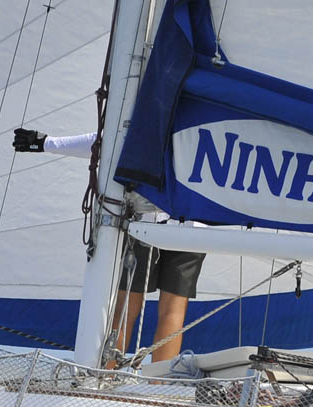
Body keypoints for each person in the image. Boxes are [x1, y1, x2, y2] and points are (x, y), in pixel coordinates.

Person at [11, 127, 204, 363]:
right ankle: (158, 382)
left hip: (146, 221)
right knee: (173, 311)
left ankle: (106, 377)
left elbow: (109, 139)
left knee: (125, 308)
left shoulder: (155, 116)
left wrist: (46, 143)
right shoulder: (204, 124)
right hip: (193, 223)